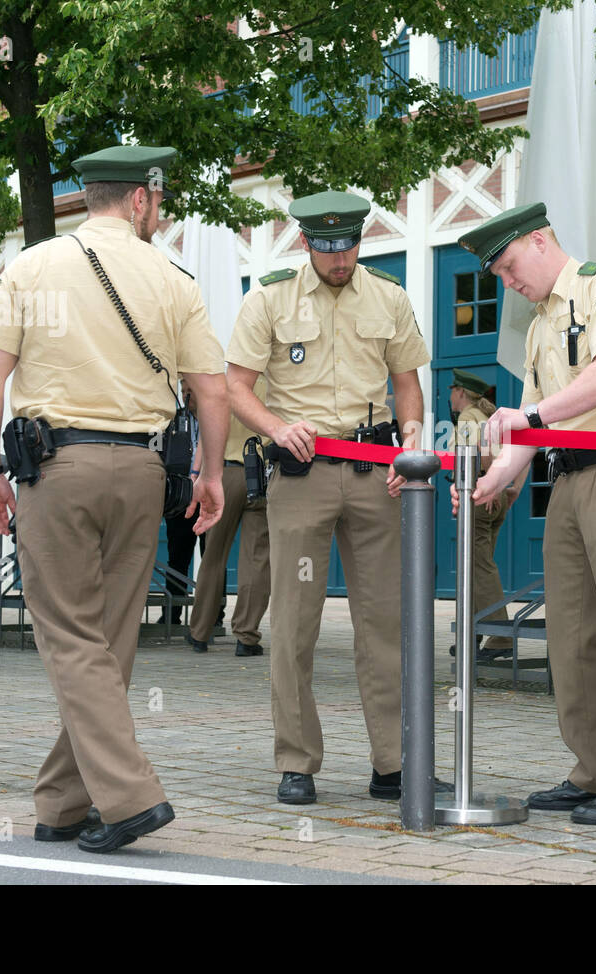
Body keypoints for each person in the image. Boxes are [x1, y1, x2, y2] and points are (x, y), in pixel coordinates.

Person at [0, 144, 228, 853]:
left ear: (89, 196)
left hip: (59, 468)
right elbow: (211, 388)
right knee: (107, 642)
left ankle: (132, 797)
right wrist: (211, 474)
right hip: (144, 470)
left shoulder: (32, 266)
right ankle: (60, 803)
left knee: (69, 636)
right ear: (140, 199)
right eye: (160, 200)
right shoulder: (175, 278)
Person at [456, 202, 596, 827]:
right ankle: (594, 770)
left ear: (540, 238)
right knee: (573, 636)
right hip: (570, 479)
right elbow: (529, 429)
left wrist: (530, 420)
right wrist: (490, 484)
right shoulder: (538, 326)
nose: (506, 281)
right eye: (498, 274)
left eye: (507, 265)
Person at [227, 189, 429, 805]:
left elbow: (407, 385)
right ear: (307, 243)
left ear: (360, 243)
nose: (340, 261)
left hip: (375, 471)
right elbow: (235, 387)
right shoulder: (268, 300)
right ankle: (297, 762)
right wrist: (274, 427)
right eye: (328, 248)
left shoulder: (389, 297)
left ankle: (394, 764)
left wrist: (412, 439)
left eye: (350, 248)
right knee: (293, 622)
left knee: (387, 623)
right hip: (302, 472)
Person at [446, 368, 526, 662]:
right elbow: (517, 449)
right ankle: (472, 635)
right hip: (496, 493)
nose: (450, 395)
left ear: (461, 392)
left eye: (452, 389)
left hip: (478, 492)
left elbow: (482, 453)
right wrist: (509, 487)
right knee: (477, 568)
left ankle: (500, 637)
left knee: (478, 567)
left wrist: (487, 481)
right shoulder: (490, 418)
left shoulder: (468, 417)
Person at [185, 397, 272, 657]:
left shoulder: (224, 387)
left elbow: (206, 436)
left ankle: (199, 632)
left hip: (225, 475)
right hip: (261, 475)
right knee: (256, 560)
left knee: (213, 555)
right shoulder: (276, 384)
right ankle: (246, 636)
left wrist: (195, 472)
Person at [160, 384, 205, 628]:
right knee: (177, 556)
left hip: (206, 494)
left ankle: (212, 616)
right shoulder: (174, 421)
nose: (187, 394)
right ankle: (172, 614)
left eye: (191, 389)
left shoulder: (214, 419)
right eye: (184, 388)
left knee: (210, 557)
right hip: (181, 496)